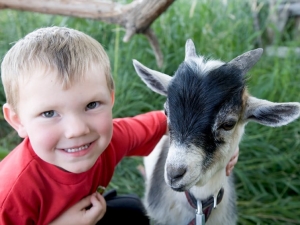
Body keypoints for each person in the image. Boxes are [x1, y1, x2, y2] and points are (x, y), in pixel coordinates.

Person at [0, 26, 238, 225]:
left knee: (133, 211)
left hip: (88, 209)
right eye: (49, 113)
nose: (78, 130)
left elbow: (168, 122)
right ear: (17, 120)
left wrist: (222, 138)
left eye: (92, 104)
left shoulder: (109, 140)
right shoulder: (10, 193)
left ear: (110, 99)